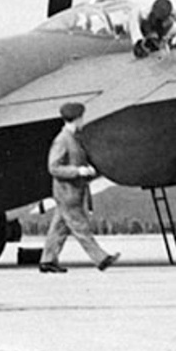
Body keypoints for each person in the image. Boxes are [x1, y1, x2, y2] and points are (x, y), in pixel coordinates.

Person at [39, 102, 119, 273]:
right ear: (77, 119)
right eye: (81, 118)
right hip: (66, 192)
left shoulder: (74, 138)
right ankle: (101, 258)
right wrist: (78, 171)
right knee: (80, 226)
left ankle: (47, 260)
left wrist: (88, 169)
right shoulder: (62, 140)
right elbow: (53, 167)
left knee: (59, 227)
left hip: (72, 191)